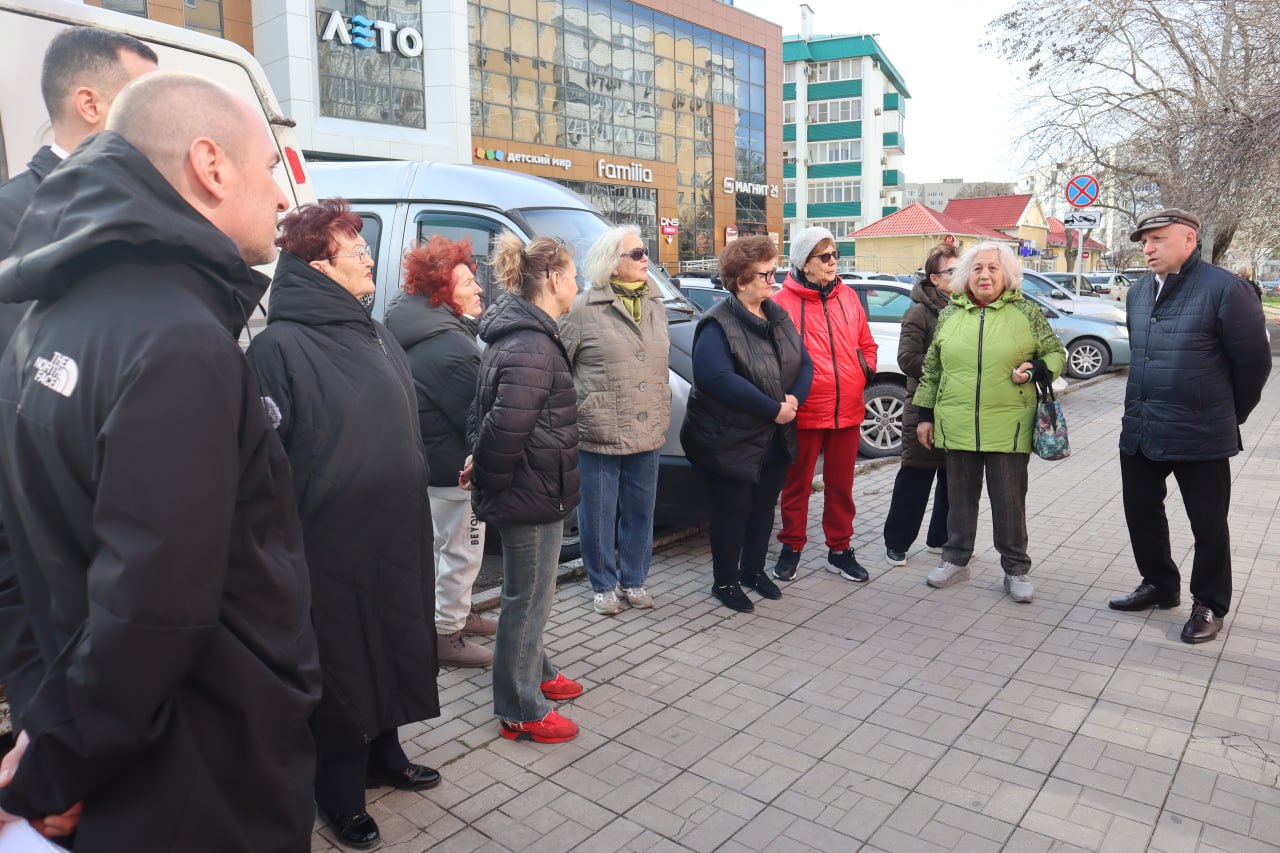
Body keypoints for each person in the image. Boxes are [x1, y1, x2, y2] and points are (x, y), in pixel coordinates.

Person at [0, 72, 319, 851]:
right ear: (211, 167)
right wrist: (61, 770)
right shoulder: (178, 340)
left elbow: (22, 558)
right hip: (196, 771)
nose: (283, 201)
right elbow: (153, 607)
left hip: (110, 746)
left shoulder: (47, 316)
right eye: (271, 170)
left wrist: (47, 731)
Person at [245, 199, 441, 848]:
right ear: (316, 263)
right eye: (356, 250)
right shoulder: (280, 347)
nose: (368, 258)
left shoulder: (375, 332)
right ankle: (339, 794)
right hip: (329, 547)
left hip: (395, 532)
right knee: (345, 667)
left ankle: (387, 753)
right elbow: (268, 467)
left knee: (392, 641)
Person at [0, 26, 157, 753]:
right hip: (43, 513)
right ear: (91, 103)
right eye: (142, 98)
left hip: (143, 513)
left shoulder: (152, 216)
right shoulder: (12, 215)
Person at [1108, 209, 1270, 643]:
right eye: (1144, 241)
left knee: (1209, 524)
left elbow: (1254, 364)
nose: (1148, 249)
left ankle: (1210, 604)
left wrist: (1227, 414)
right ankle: (1160, 584)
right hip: (1142, 428)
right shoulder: (1139, 291)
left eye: (1157, 239)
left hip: (1201, 432)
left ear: (1188, 239)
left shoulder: (1226, 289)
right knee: (1141, 512)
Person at [467, 232, 583, 744]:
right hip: (530, 494)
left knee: (532, 595)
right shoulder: (532, 344)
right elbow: (502, 427)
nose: (578, 283)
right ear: (554, 278)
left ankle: (534, 671)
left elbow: (485, 418)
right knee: (526, 600)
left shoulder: (524, 336)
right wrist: (489, 482)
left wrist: (483, 467)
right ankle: (520, 708)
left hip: (534, 487)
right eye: (574, 275)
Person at [914, 241, 1065, 603]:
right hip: (958, 422)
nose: (985, 275)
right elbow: (932, 368)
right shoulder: (952, 313)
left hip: (1009, 425)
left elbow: (1055, 352)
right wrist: (925, 415)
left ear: (1007, 274)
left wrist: (1037, 369)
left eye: (993, 268)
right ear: (967, 274)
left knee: (1009, 502)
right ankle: (955, 559)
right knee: (959, 500)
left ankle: (1016, 569)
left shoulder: (1026, 311)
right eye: (978, 268)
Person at [681, 236, 813, 612]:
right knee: (731, 511)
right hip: (730, 440)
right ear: (741, 280)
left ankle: (753, 571)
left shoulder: (776, 315)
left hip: (774, 435)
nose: (776, 280)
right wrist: (773, 408)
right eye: (766, 273)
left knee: (763, 507)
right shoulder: (716, 324)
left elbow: (804, 363)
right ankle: (725, 581)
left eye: (776, 271)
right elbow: (716, 378)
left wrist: (793, 401)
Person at [386, 235, 497, 668]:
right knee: (463, 554)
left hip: (431, 467)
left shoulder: (423, 333)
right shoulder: (452, 347)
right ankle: (447, 635)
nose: (479, 289)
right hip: (456, 474)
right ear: (441, 292)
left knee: (442, 551)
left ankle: (455, 614)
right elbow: (476, 420)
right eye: (468, 282)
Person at [561, 226, 671, 615]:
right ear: (613, 262)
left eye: (646, 253)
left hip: (647, 427)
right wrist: (583, 405)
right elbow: (561, 367)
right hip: (600, 429)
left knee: (641, 511)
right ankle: (603, 584)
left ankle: (635, 580)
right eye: (638, 254)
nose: (646, 261)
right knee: (599, 514)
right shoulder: (582, 308)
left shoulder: (657, 305)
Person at [771, 227, 877, 583]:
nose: (833, 262)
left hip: (847, 408)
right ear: (804, 263)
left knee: (841, 486)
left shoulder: (848, 297)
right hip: (803, 412)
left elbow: (866, 343)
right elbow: (774, 357)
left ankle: (840, 549)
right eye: (824, 256)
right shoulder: (781, 303)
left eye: (835, 255)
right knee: (797, 485)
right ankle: (792, 546)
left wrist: (864, 371)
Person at [883, 244, 958, 566]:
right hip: (924, 408)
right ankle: (897, 542)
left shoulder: (968, 307)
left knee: (953, 480)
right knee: (915, 479)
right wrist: (954, 366)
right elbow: (907, 360)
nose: (961, 276)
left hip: (958, 409)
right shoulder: (919, 312)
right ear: (935, 278)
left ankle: (939, 539)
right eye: (952, 271)